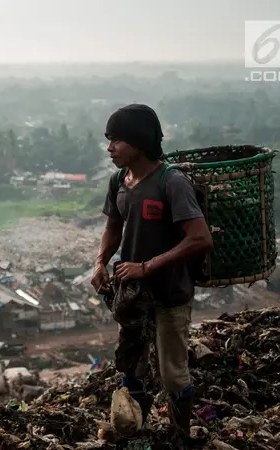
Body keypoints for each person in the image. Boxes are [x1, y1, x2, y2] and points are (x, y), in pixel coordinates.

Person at [91, 104, 214, 442]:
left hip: (169, 293)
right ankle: (134, 430)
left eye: (116, 140)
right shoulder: (119, 180)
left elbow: (201, 239)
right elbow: (113, 225)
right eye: (108, 139)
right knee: (131, 364)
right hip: (132, 296)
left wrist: (146, 266)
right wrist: (101, 261)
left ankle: (180, 435)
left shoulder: (170, 183)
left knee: (173, 373)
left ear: (139, 142)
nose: (110, 148)